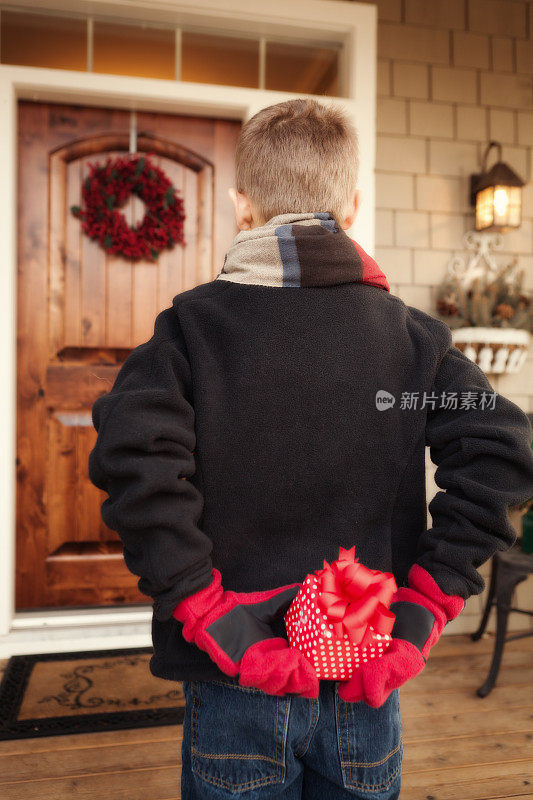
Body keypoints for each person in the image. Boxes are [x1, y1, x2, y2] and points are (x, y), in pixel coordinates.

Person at [88, 98, 533, 800]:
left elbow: (135, 463)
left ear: (242, 205)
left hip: (235, 664)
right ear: (351, 205)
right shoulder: (410, 339)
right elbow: (502, 448)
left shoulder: (188, 331)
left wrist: (207, 611)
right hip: (365, 668)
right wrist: (426, 606)